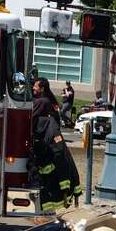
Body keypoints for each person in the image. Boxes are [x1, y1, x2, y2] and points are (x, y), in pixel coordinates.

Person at [32, 79, 82, 213]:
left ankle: (46, 211)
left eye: (35, 87)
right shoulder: (49, 100)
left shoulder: (42, 102)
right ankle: (48, 211)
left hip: (46, 144)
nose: (33, 88)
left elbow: (31, 119)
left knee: (47, 180)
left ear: (42, 88)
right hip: (51, 143)